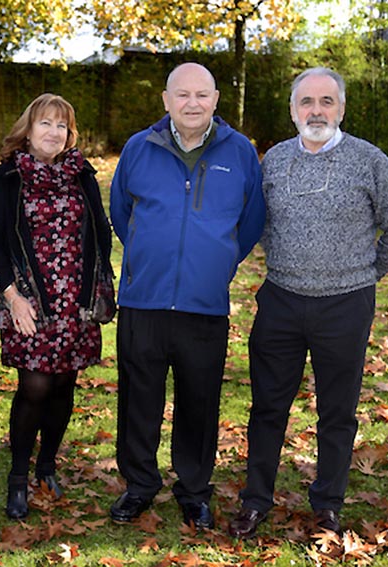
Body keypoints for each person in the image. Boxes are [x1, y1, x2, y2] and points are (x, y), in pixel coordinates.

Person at [228, 67, 388, 539]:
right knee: (268, 406)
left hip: (345, 306)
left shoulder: (369, 160)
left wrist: (365, 274)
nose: (316, 110)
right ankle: (256, 501)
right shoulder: (272, 161)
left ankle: (328, 504)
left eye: (326, 101)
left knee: (338, 412)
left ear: (342, 109)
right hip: (281, 302)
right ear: (293, 111)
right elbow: (258, 222)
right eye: (307, 102)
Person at [108, 63, 265, 528]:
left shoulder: (240, 153)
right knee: (139, 399)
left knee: (200, 401)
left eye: (201, 95)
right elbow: (121, 213)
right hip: (144, 300)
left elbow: (251, 220)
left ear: (216, 99)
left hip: (204, 306)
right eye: (182, 95)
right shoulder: (139, 148)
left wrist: (217, 263)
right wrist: (144, 257)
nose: (192, 103)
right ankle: (139, 485)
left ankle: (194, 491)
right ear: (166, 99)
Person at [0, 94, 114, 520]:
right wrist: (11, 295)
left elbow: (101, 232)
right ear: (29, 128)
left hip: (74, 298)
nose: (54, 132)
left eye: (62, 126)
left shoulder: (82, 175)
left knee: (63, 386)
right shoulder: (7, 178)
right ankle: (18, 477)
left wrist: (98, 287)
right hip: (29, 299)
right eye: (46, 123)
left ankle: (47, 465)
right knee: (35, 386)